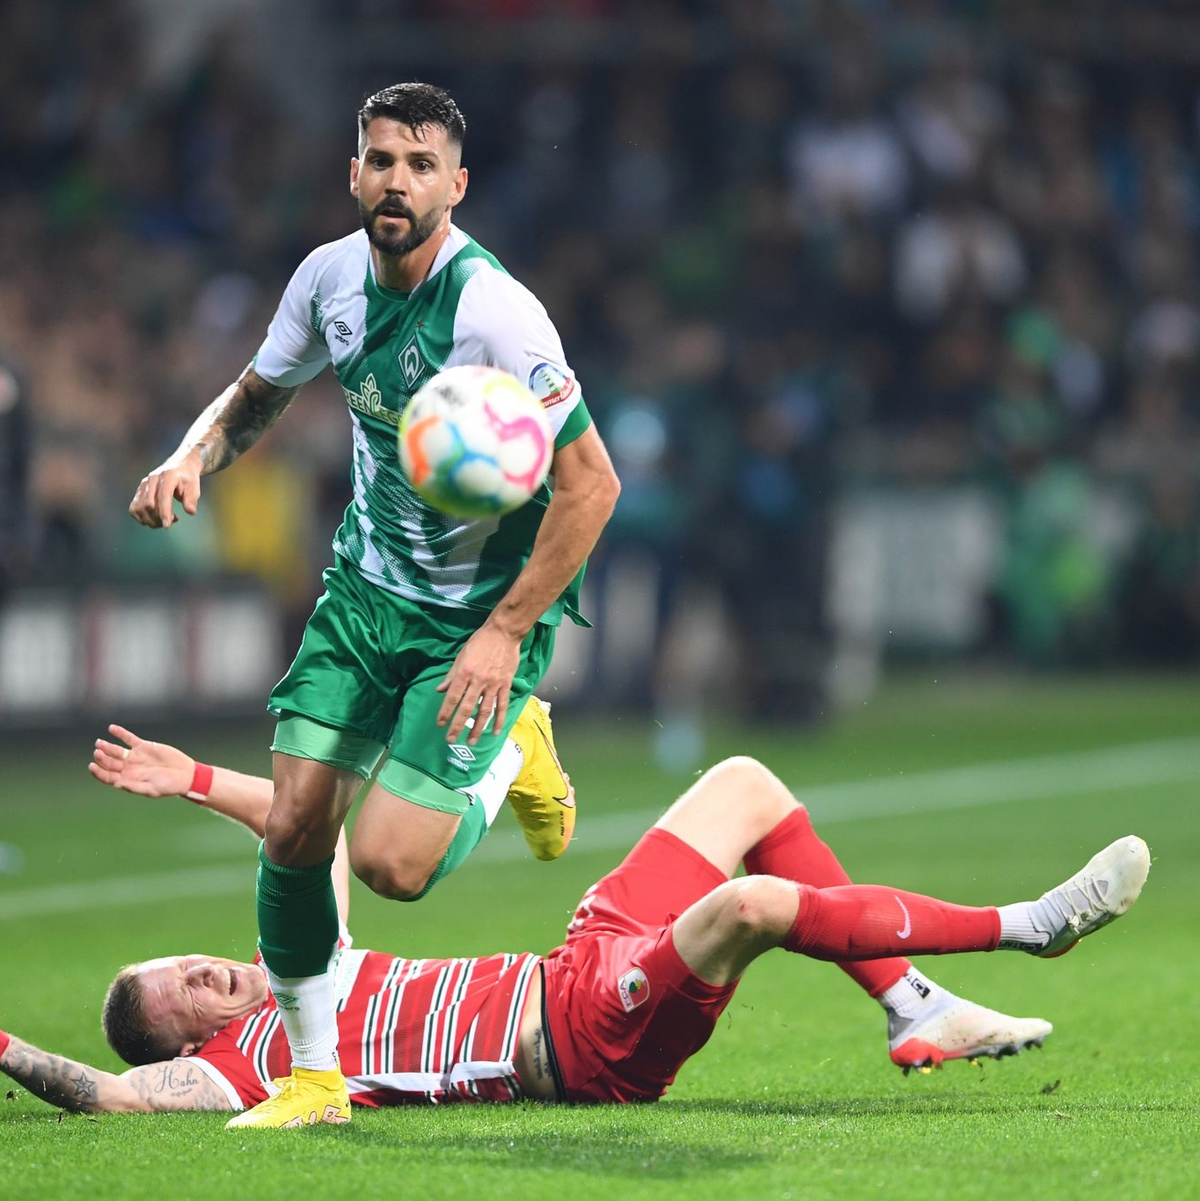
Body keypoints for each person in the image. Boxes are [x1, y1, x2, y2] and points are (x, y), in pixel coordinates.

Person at [126, 82, 621, 1127]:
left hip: (470, 615)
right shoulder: (328, 280)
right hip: (363, 593)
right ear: (354, 172)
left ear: (456, 184)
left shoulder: (495, 313)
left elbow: (592, 485)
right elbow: (258, 394)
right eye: (381, 159)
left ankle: (516, 747)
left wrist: (503, 633)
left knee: (389, 865)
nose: (397, 180)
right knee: (298, 825)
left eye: (420, 163)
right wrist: (191, 456)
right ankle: (315, 1080)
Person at [0, 727, 1149, 1120]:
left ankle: (913, 1004)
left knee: (744, 785)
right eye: (191, 991)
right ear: (186, 1041)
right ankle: (1027, 925)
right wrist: (6, 1048)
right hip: (583, 1041)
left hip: (578, 962)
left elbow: (312, 831)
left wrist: (195, 776)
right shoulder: (253, 1069)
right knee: (745, 905)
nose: (215, 973)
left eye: (196, 962)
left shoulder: (304, 965)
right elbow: (101, 1094)